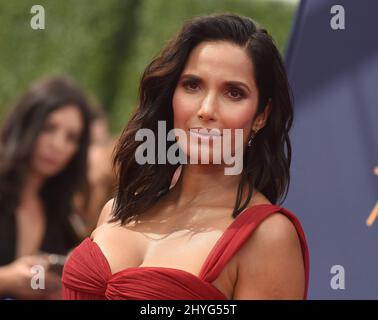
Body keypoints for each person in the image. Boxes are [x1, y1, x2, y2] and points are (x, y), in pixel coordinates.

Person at [62, 13, 310, 300]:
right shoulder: (117, 209)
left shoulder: (267, 237)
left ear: (261, 116)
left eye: (233, 93)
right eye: (192, 85)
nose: (206, 109)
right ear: (171, 95)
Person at [0, 76, 92, 299]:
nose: (58, 144)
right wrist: (6, 280)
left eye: (71, 137)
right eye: (49, 128)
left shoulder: (63, 214)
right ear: (27, 124)